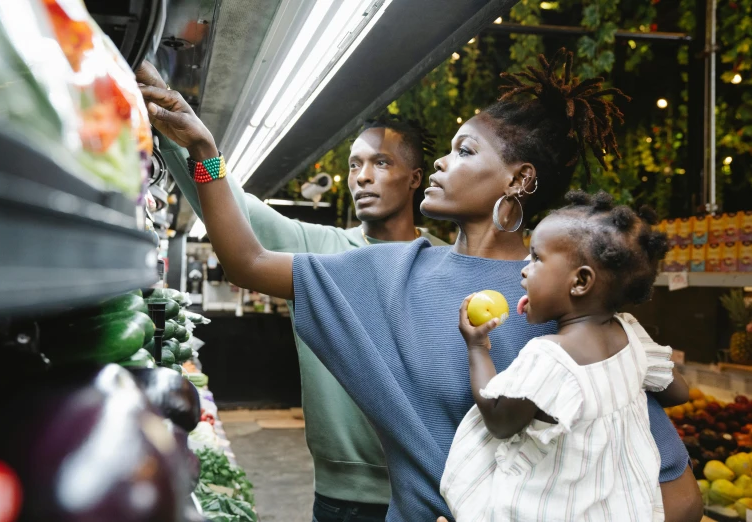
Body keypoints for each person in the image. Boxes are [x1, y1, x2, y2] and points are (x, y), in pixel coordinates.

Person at [139, 49, 702, 521]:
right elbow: (248, 259)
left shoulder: (571, 306)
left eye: (464, 151)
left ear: (520, 178)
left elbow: (676, 496)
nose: (437, 163)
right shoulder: (393, 270)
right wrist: (202, 153)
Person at [136, 62, 447, 522]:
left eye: (381, 163)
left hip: (431, 496)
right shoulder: (321, 249)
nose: (362, 176)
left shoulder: (447, 264)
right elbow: (228, 204)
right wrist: (187, 134)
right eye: (355, 164)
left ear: (416, 177)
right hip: (340, 499)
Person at [442, 191, 690, 521]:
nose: (524, 271)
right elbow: (679, 392)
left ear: (581, 282)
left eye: (537, 258)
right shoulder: (630, 335)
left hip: (548, 508)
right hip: (618, 507)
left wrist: (477, 348)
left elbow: (500, 421)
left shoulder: (550, 358)